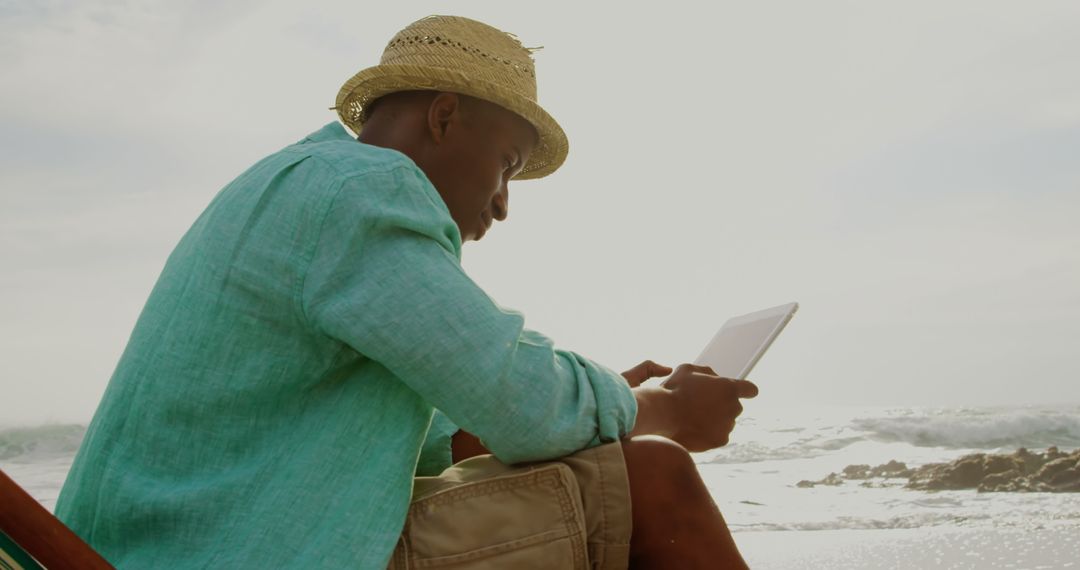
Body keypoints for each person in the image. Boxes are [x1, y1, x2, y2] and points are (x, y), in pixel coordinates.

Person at [55, 15, 757, 569]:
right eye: (507, 165)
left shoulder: (297, 183)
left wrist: (609, 403)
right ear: (444, 117)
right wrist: (657, 410)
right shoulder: (361, 191)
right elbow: (521, 407)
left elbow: (453, 443)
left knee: (617, 461)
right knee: (653, 480)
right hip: (244, 554)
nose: (504, 203)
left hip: (164, 550)